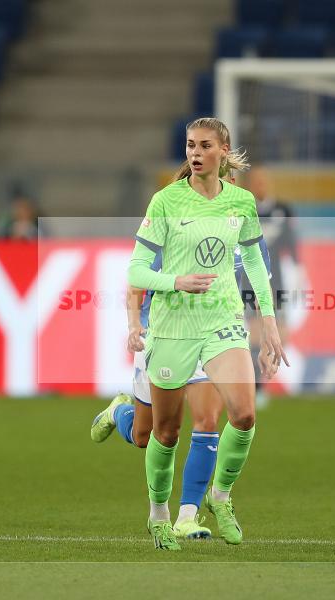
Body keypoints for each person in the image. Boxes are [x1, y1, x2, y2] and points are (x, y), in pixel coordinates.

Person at [125, 117, 288, 551]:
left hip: (223, 321)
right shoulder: (165, 202)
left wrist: (268, 322)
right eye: (190, 145)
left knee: (245, 415)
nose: (195, 153)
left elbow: (255, 263)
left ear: (223, 151)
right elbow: (136, 270)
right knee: (163, 433)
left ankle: (220, 497)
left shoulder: (241, 202)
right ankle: (159, 515)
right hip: (174, 325)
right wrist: (175, 281)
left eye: (204, 146)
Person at [90, 201, 271, 541]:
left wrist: (267, 330)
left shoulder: (244, 223)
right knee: (151, 435)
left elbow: (259, 282)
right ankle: (119, 412)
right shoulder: (177, 222)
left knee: (207, 421)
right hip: (162, 330)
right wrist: (134, 325)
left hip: (214, 331)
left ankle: (188, 516)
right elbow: (136, 279)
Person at [239, 167, 300, 403]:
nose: (261, 185)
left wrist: (299, 271)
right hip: (249, 282)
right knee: (255, 334)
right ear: (249, 184)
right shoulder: (244, 210)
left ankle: (262, 381)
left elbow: (292, 246)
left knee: (280, 334)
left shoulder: (283, 210)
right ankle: (256, 388)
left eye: (264, 180)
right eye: (256, 181)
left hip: (278, 282)